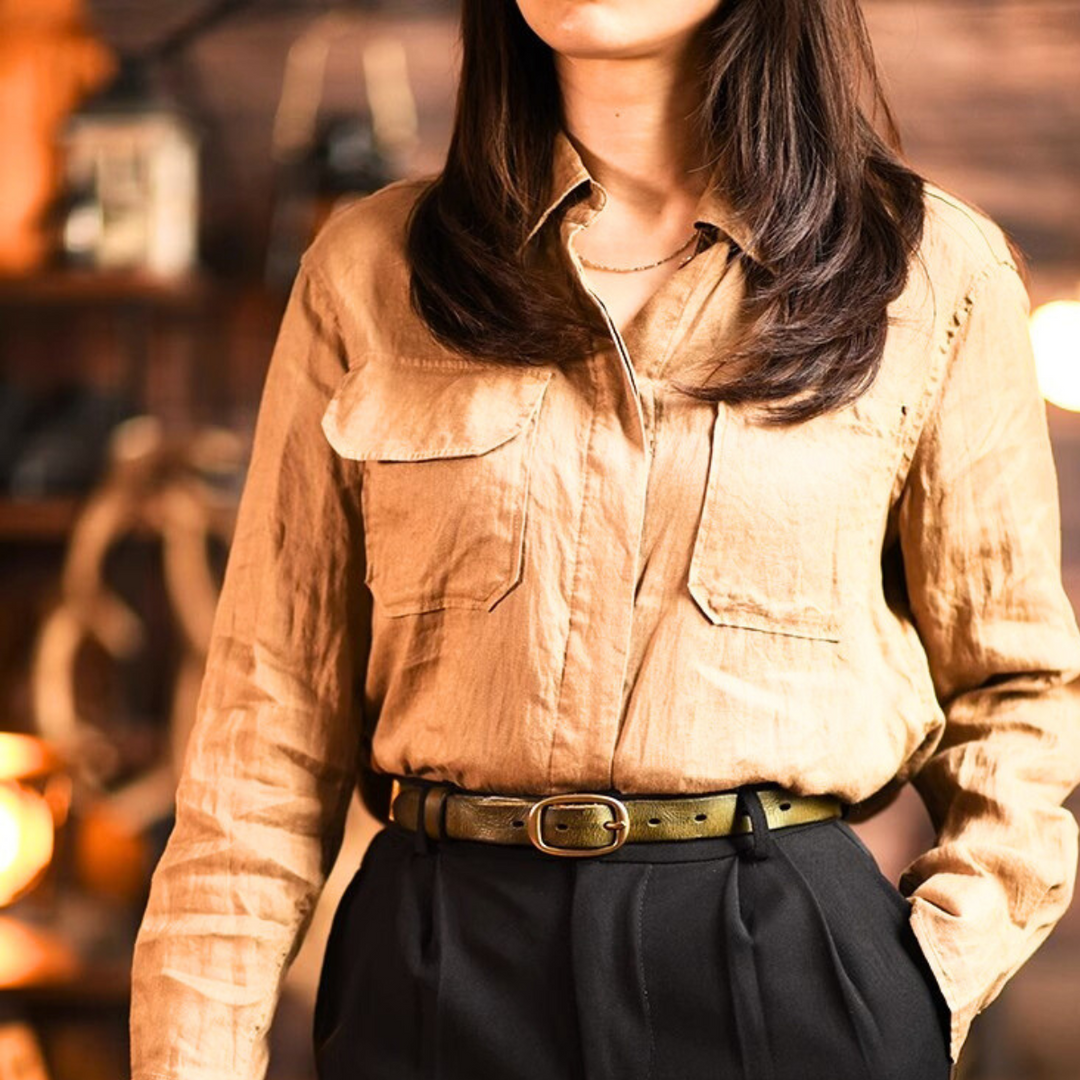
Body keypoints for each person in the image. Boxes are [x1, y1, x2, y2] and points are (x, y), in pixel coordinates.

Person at [129, 1, 1080, 1078]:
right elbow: (266, 724)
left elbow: (1018, 692)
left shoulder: (930, 271)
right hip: (438, 970)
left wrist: (917, 980)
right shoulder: (369, 272)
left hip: (779, 964)